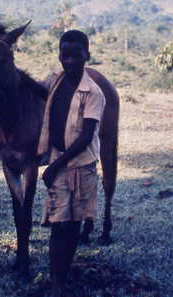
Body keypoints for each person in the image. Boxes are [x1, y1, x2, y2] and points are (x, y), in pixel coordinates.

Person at [36, 30, 105, 297]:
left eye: (77, 56)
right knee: (58, 222)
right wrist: (11, 71)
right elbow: (36, 90)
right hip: (57, 158)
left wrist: (55, 166)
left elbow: (87, 136)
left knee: (74, 223)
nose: (71, 61)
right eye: (66, 55)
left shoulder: (94, 93)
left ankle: (63, 276)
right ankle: (55, 285)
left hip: (82, 164)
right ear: (60, 55)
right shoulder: (55, 80)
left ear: (87, 55)